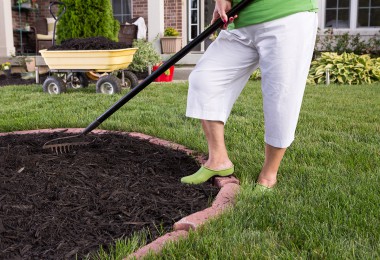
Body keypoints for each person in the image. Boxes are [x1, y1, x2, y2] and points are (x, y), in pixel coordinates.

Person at [180, 0, 318, 194]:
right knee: (205, 80)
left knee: (280, 97)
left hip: (287, 16)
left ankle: (269, 175)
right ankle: (218, 160)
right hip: (240, 21)